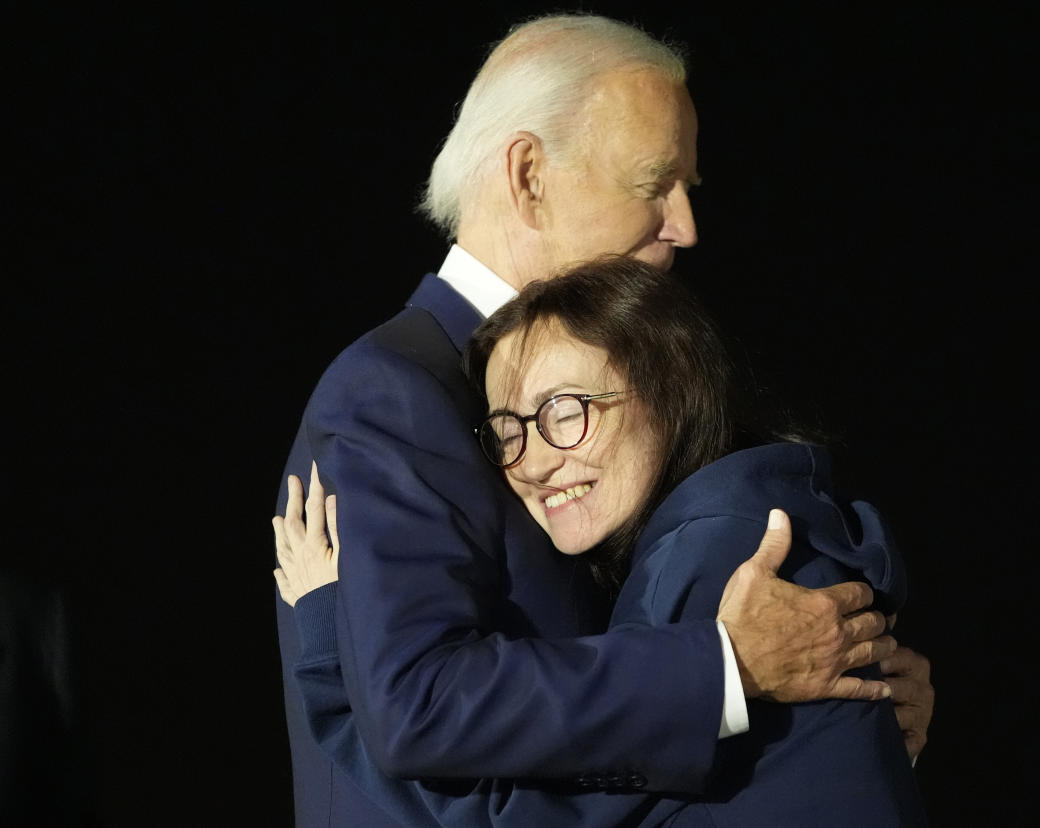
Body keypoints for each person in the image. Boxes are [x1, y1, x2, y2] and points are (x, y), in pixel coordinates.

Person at [273, 14, 932, 827]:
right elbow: (418, 706)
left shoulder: (638, 391)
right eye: (653, 182)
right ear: (528, 177)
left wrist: (845, 701)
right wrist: (727, 669)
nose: (684, 227)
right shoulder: (393, 393)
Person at [276, 257, 927, 826]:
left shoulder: (729, 560)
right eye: (507, 432)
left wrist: (334, 644)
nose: (531, 461)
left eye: (566, 411)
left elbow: (510, 822)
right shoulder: (763, 513)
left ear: (669, 387)